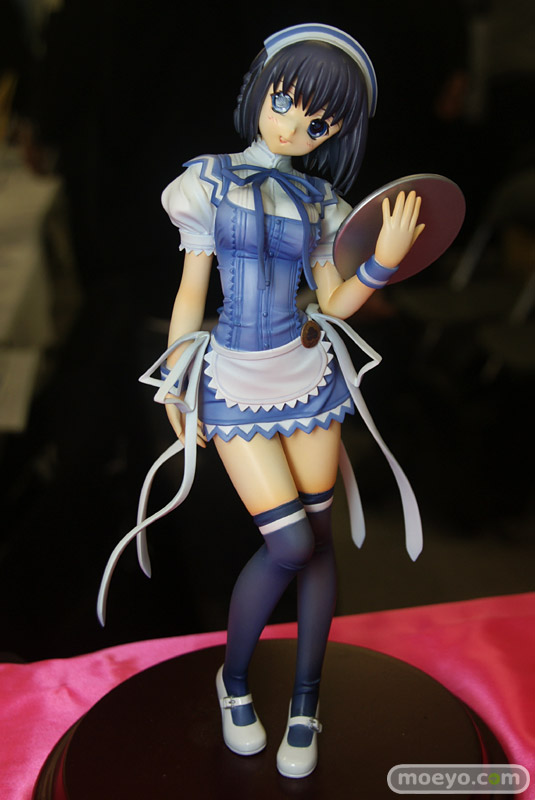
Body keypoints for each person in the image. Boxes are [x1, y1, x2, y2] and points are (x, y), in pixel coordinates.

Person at [98, 23, 424, 779]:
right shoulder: (204, 184)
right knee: (290, 545)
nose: (294, 127)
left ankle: (306, 702)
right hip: (233, 381)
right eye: (284, 102)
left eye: (319, 123)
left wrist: (380, 263)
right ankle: (235, 681)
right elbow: (190, 295)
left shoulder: (322, 202)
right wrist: (177, 377)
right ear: (259, 89)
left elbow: (332, 303)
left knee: (319, 543)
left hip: (306, 374)